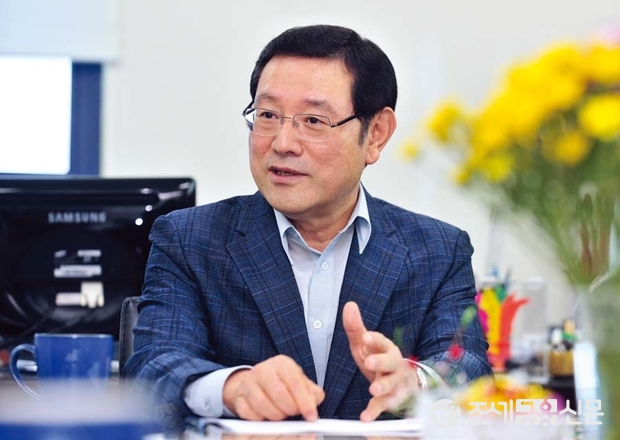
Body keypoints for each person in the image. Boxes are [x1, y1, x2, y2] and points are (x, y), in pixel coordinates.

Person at [124, 24, 492, 430]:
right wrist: (231, 387)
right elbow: (153, 366)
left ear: (376, 134)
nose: (282, 142)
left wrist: (415, 382)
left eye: (313, 120)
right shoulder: (189, 239)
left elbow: (469, 368)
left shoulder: (438, 250)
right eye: (268, 116)